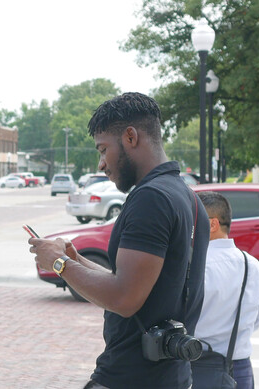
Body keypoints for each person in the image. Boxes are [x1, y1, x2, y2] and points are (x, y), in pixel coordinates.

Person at [29, 92, 209, 389]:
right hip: (170, 377)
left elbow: (124, 299)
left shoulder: (151, 197)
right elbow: (141, 286)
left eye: (103, 149)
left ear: (130, 137)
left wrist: (58, 263)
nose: (101, 164)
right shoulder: (186, 196)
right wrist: (78, 261)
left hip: (130, 377)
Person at [192, 191, 259, 389]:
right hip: (240, 368)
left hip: (197, 367)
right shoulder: (253, 265)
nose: (189, 229)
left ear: (212, 225)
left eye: (192, 222)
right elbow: (256, 321)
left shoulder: (195, 267)